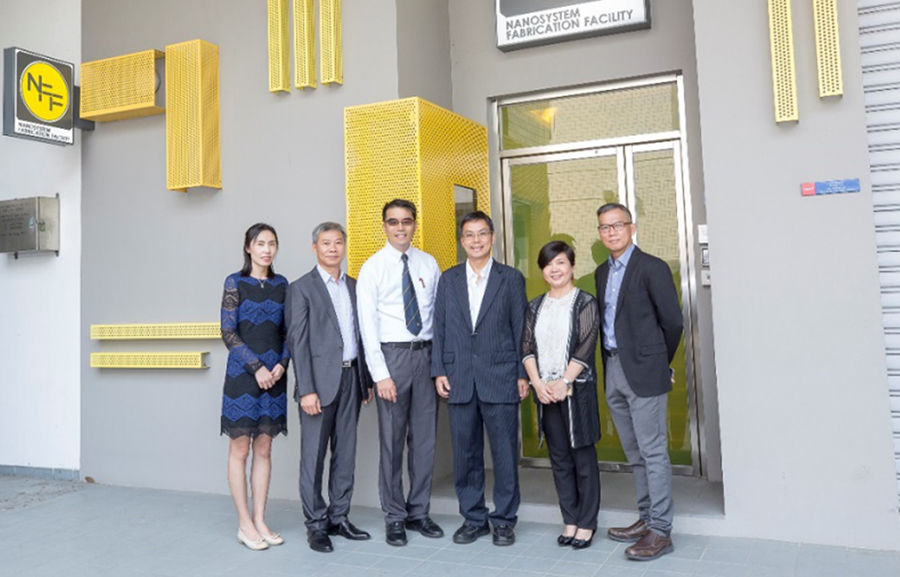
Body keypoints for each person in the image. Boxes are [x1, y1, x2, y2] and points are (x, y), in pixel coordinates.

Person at [432, 211, 529, 547]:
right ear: (462, 241)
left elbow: (521, 330)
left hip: (501, 375)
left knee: (504, 453)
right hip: (458, 377)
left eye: (482, 234)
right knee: (466, 454)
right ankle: (473, 518)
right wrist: (439, 370)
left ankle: (503, 520)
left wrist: (521, 373)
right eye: (469, 235)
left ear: (493, 237)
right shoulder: (448, 279)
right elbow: (439, 329)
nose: (476, 240)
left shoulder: (511, 278)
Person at [594, 203, 683, 561]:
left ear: (632, 228)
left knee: (653, 452)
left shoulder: (652, 267)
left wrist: (661, 364)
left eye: (618, 225)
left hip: (644, 372)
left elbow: (673, 323)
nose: (611, 232)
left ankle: (660, 531)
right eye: (604, 227)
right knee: (635, 453)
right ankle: (646, 518)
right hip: (614, 369)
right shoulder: (602, 272)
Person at [357, 199, 444, 546]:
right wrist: (380, 375)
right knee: (392, 443)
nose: (400, 228)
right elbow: (367, 325)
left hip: (425, 356)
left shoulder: (428, 263)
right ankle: (394, 516)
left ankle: (418, 512)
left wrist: (439, 366)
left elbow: (439, 316)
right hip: (391, 358)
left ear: (414, 224)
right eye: (393, 222)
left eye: (406, 221)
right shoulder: (372, 268)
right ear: (384, 227)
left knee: (424, 442)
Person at [285, 222, 374, 553]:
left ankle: (340, 518)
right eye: (326, 243)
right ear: (315, 248)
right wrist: (306, 389)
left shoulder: (354, 286)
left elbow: (360, 337)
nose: (333, 248)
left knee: (346, 453)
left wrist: (364, 380)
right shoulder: (301, 288)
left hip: (352, 379)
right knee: (314, 457)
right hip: (318, 385)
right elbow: (298, 342)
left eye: (338, 242)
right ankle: (316, 525)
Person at [522, 241, 601, 550]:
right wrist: (538, 384)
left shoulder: (584, 303)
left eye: (560, 263)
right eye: (548, 264)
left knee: (582, 456)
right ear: (543, 271)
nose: (554, 269)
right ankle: (569, 518)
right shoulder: (534, 305)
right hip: (545, 392)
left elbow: (585, 345)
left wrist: (564, 382)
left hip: (575, 391)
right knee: (559, 460)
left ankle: (587, 523)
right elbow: (526, 347)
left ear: (572, 268)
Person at [220, 223, 291, 551]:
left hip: (274, 377)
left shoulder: (282, 285)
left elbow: (290, 332)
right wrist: (258, 367)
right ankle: (243, 522)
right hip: (244, 376)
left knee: (264, 448)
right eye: (260, 243)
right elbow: (228, 332)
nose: (266, 249)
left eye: (272, 243)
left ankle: (260, 519)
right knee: (241, 449)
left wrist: (281, 365)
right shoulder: (235, 282)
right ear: (248, 247)